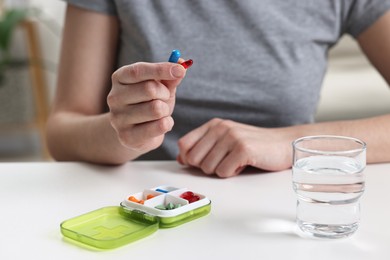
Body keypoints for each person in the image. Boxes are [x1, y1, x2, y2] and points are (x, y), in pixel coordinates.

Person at [46, 0, 390, 178]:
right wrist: (124, 133)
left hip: (280, 210)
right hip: (143, 205)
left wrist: (292, 144)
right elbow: (61, 132)